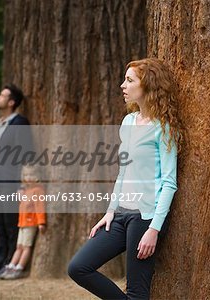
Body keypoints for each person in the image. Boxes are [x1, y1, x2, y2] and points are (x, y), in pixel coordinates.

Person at [68, 58, 183, 299]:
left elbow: (169, 182)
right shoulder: (128, 122)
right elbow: (124, 172)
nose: (123, 85)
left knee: (137, 292)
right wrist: (110, 211)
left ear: (148, 85)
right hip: (120, 215)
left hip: (145, 218)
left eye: (129, 80)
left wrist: (154, 228)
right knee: (78, 267)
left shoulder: (164, 129)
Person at [0, 84, 33, 278]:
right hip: (0, 183)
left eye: (2, 96)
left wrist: (21, 185)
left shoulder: (20, 122)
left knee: (11, 226)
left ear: (11, 102)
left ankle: (10, 263)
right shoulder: (2, 124)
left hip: (13, 184)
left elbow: (26, 153)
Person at [0, 164, 46, 280]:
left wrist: (41, 222)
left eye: (31, 175)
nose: (28, 177)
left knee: (26, 246)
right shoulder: (26, 190)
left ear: (38, 176)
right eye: (26, 175)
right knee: (19, 246)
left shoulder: (38, 190)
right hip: (22, 223)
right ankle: (11, 266)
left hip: (31, 223)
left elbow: (40, 207)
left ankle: (19, 268)